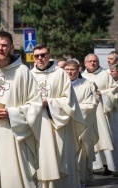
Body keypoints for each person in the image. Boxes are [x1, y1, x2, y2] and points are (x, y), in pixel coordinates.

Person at [0, 31, 43, 187]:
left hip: (16, 135)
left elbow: (36, 104)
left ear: (11, 47)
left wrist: (12, 113)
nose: (0, 48)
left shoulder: (23, 72)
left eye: (4, 45)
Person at [31, 44, 86, 188]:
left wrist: (48, 102)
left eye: (43, 55)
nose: (40, 58)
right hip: (37, 126)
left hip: (58, 126)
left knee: (60, 158)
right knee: (41, 161)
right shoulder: (29, 75)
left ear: (49, 55)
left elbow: (69, 101)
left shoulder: (60, 74)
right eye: (37, 56)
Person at [64, 59, 98, 187]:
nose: (70, 72)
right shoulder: (61, 84)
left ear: (78, 70)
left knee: (81, 153)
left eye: (72, 70)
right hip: (63, 124)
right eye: (67, 70)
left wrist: (71, 110)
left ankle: (81, 181)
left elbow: (90, 105)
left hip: (81, 125)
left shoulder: (87, 85)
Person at [82, 53, 118, 176]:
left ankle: (110, 165)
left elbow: (114, 91)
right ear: (85, 63)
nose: (93, 63)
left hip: (104, 113)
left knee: (107, 138)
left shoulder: (105, 75)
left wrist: (102, 94)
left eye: (95, 61)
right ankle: (94, 165)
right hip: (88, 114)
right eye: (90, 61)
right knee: (91, 139)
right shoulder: (82, 76)